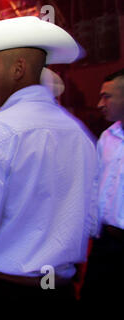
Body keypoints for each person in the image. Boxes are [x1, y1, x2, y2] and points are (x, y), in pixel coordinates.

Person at [0, 16, 98, 300]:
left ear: (18, 68)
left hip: (3, 288)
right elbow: (91, 217)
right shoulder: (80, 134)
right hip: (60, 290)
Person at [81, 69, 124, 300]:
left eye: (107, 96)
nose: (99, 104)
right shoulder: (107, 137)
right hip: (104, 242)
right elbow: (96, 185)